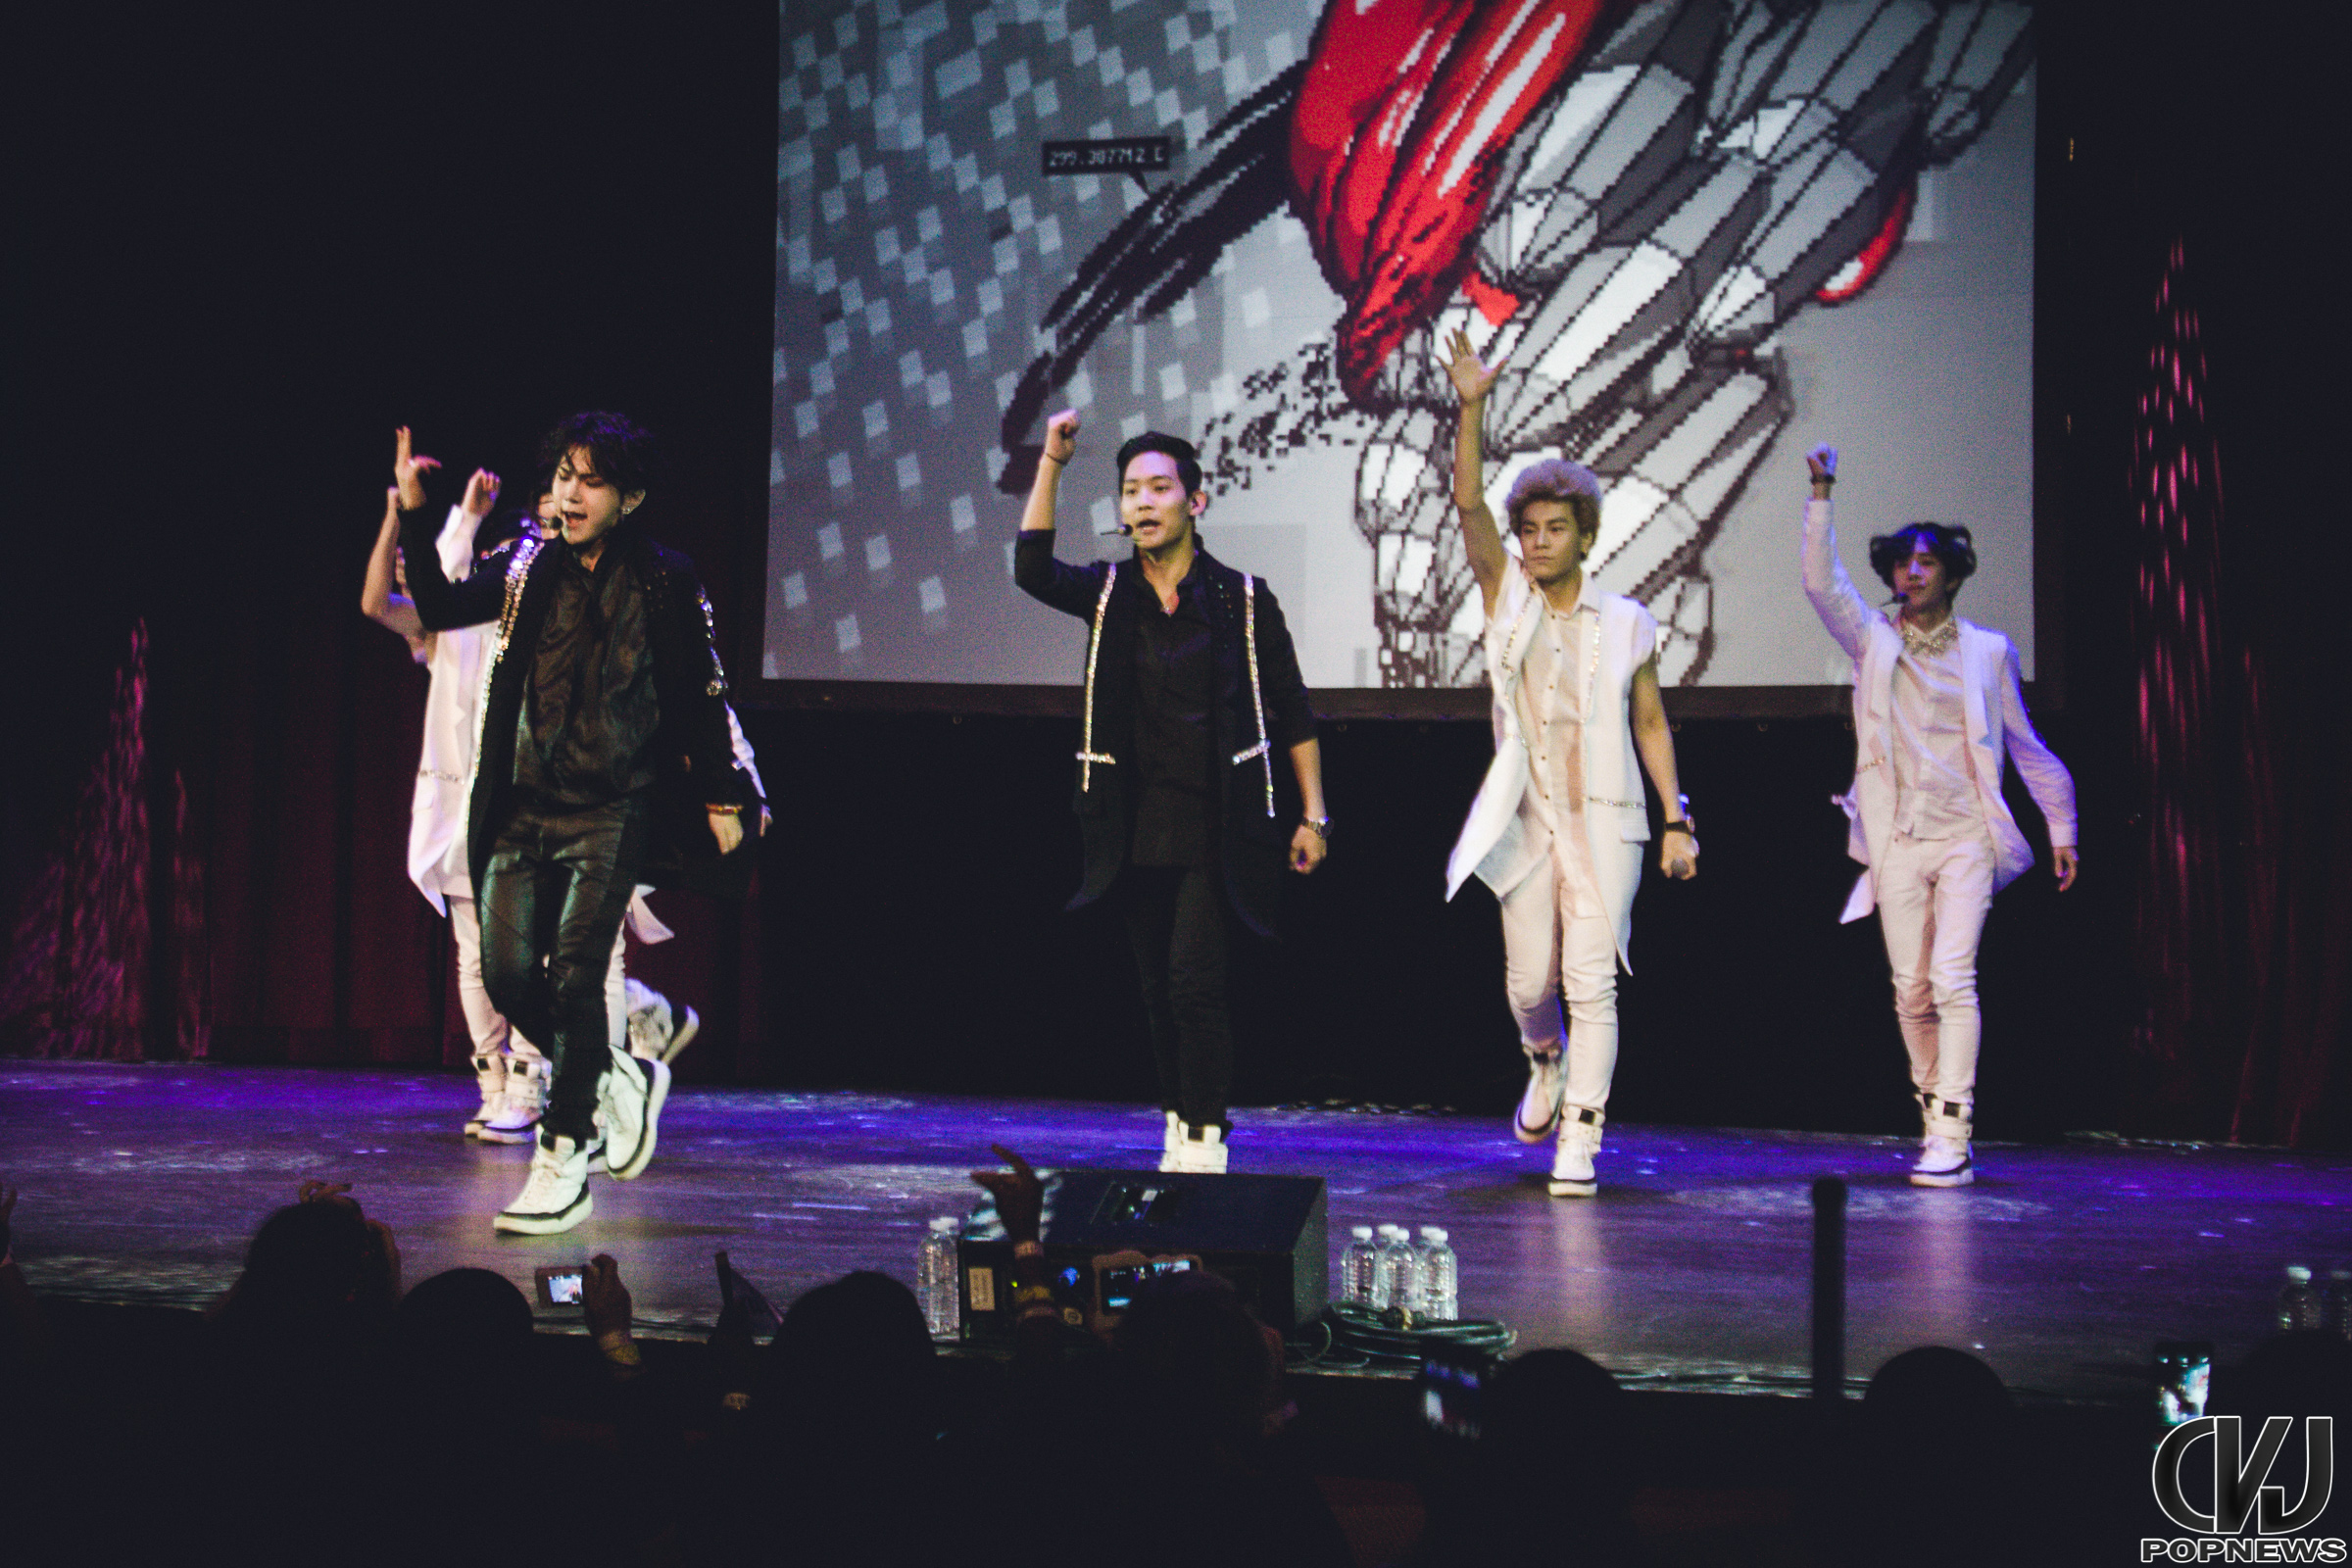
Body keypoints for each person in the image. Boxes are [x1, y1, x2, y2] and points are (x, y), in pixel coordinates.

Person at [395, 416, 760, 1234]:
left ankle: (564, 1155)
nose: (569, 494)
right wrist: (417, 512)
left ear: (629, 497)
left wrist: (725, 795)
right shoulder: (525, 563)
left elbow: (701, 691)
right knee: (506, 975)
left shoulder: (664, 578)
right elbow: (439, 605)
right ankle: (618, 1074)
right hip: (520, 804)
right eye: (563, 475)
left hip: (611, 810)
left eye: (590, 481)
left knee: (575, 974)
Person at [1013, 413, 1326, 1173]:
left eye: (1159, 488)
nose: (1144, 503)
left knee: (1194, 984)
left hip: (1217, 826)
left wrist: (1314, 815)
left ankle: (1207, 1136)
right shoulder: (1107, 592)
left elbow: (1292, 709)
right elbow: (1031, 569)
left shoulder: (1243, 600)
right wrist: (1052, 461)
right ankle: (1179, 1123)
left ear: (1196, 501)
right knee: (1156, 990)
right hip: (1133, 825)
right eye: (1131, 491)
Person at [1440, 330, 1697, 1199]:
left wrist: (1677, 819)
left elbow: (1650, 721)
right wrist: (1472, 408)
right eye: (1530, 531)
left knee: (1594, 982)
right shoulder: (1507, 599)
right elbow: (1468, 504)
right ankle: (1542, 1060)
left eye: (1556, 529)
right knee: (1529, 984)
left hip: (1608, 822)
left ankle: (1581, 1140)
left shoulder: (1628, 622)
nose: (1540, 542)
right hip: (1527, 818)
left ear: (1586, 535)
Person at [1799, 443, 2077, 1187]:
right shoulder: (1874, 640)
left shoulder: (1987, 652)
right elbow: (1822, 585)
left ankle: (1954, 1126)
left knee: (1953, 978)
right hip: (1897, 838)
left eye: (1926, 563)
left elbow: (2024, 744)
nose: (1911, 573)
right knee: (1911, 988)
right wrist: (1822, 492)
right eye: (1902, 563)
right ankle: (1932, 1110)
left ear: (1951, 574)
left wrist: (2062, 826)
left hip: (1966, 837)